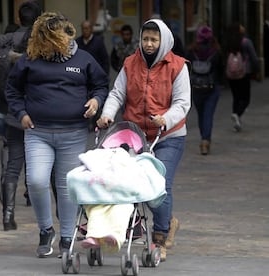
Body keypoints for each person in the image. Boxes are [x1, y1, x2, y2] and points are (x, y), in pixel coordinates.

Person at [6, 12, 109, 258]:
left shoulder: (83, 59)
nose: (52, 42)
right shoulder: (30, 60)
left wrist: (96, 100)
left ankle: (66, 236)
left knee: (66, 187)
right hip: (37, 132)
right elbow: (12, 89)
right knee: (36, 181)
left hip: (73, 133)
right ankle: (45, 230)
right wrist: (20, 113)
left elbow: (101, 84)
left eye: (56, 37)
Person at [97, 18, 191, 262]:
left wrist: (166, 119)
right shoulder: (130, 63)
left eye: (154, 39)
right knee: (132, 184)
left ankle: (159, 239)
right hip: (136, 136)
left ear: (164, 41)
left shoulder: (178, 66)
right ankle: (166, 221)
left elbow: (182, 103)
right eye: (146, 39)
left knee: (159, 184)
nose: (149, 44)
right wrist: (107, 114)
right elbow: (117, 93)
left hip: (169, 135)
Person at [0, 1, 42, 230]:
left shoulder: (5, 40)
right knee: (45, 163)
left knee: (12, 165)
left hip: (11, 110)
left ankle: (7, 216)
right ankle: (54, 216)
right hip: (39, 112)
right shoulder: (39, 42)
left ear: (19, 18)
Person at [186, 26, 223, 155]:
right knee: (208, 115)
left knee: (201, 115)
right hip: (212, 87)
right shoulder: (216, 51)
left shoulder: (191, 51)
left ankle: (204, 139)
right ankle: (205, 140)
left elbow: (186, 68)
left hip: (196, 88)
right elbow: (220, 69)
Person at [226, 22, 260, 132]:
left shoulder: (229, 42)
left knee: (236, 96)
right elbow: (254, 57)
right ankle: (237, 114)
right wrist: (257, 69)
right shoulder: (246, 42)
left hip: (231, 73)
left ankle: (237, 122)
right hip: (244, 72)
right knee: (246, 98)